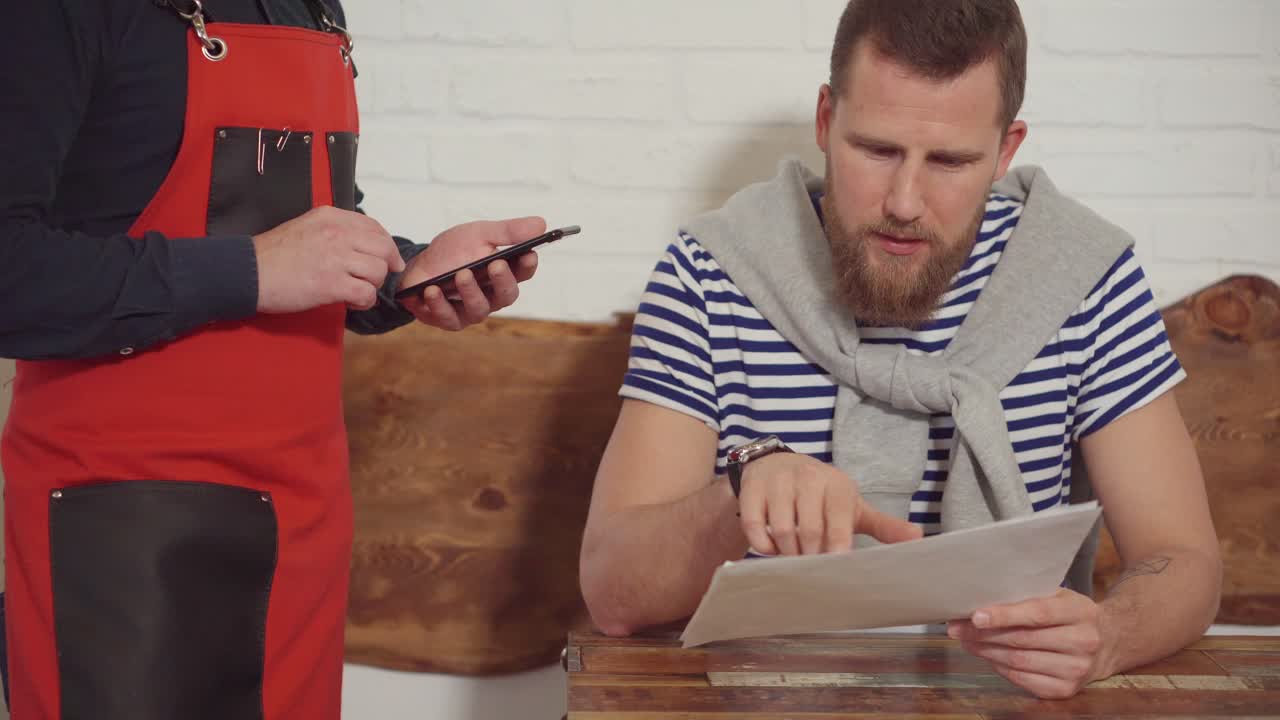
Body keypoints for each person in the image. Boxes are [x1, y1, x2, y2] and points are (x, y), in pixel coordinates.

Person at [579, 0, 1221, 701]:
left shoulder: (1082, 276)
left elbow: (1185, 558)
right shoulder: (710, 274)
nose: (905, 202)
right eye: (877, 150)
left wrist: (1110, 637)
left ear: (1006, 150)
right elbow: (613, 591)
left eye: (950, 161)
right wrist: (740, 498)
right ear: (826, 120)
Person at [0, 1, 545, 717]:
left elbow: (293, 234)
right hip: (120, 527)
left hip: (302, 519)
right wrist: (251, 269)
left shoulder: (313, 7)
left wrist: (403, 276)